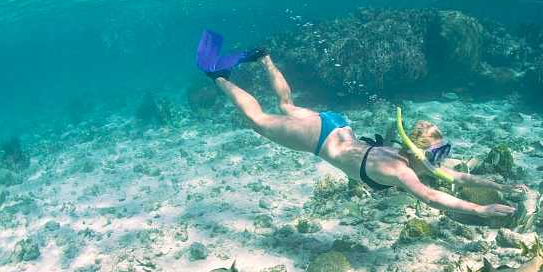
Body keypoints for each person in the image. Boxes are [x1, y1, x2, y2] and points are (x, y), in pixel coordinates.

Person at [196, 30, 519, 222]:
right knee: (259, 120)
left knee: (287, 106)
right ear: (418, 153)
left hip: (337, 124)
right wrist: (479, 211)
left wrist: (500, 188)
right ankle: (218, 76)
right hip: (321, 137)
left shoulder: (415, 160)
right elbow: (432, 198)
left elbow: (459, 175)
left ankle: (265, 59)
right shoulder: (402, 171)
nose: (441, 160)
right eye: (437, 154)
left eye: (442, 153)